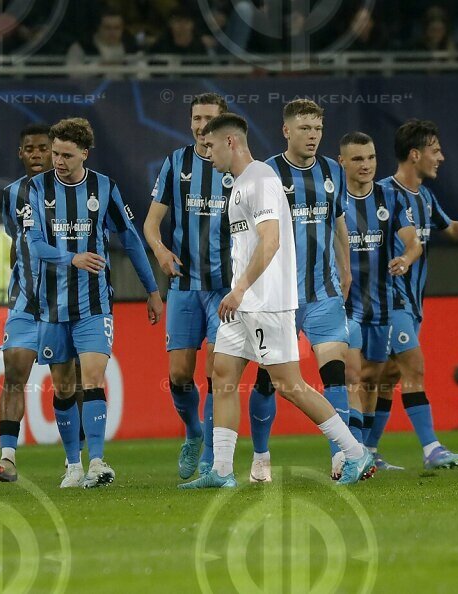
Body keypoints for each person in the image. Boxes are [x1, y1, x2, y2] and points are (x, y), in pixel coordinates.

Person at [178, 113, 375, 489]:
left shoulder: (260, 182)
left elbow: (271, 241)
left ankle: (354, 451)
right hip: (244, 303)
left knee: (289, 384)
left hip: (267, 301)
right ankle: (221, 470)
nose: (208, 153)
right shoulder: (238, 185)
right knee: (222, 374)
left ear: (231, 142)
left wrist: (239, 289)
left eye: (212, 146)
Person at [367, 119, 458, 470]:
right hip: (389, 300)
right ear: (415, 154)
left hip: (412, 301)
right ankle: (431, 448)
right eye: (435, 151)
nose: (442, 157)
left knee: (388, 378)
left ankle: (367, 452)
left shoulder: (425, 197)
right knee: (413, 368)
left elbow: (449, 229)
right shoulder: (383, 194)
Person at [26, 118, 163, 488]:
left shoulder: (104, 188)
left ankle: (98, 461)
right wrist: (71, 258)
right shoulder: (36, 189)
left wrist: (152, 290)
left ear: (84, 154)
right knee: (63, 385)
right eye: (55, 153)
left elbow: (131, 240)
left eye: (67, 155)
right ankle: (72, 464)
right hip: (52, 304)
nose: (58, 160)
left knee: (92, 377)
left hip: (94, 303)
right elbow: (34, 244)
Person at [248, 99, 355, 483]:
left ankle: (343, 456)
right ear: (286, 131)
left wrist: (345, 270)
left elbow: (339, 222)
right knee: (268, 381)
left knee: (336, 375)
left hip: (324, 292)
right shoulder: (267, 174)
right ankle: (261, 456)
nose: (313, 136)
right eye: (305, 128)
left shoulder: (332, 170)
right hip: (279, 299)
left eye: (317, 129)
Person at [143, 93, 234, 479]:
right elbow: (150, 225)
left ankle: (215, 460)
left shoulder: (238, 168)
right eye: (196, 118)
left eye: (208, 118)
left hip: (224, 290)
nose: (200, 126)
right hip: (182, 285)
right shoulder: (176, 163)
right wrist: (161, 252)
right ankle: (194, 433)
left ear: (222, 123)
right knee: (179, 376)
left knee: (217, 371)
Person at [338, 131, 422, 475]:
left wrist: (407, 258)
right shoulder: (334, 202)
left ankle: (367, 451)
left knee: (372, 379)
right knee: (352, 377)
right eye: (358, 159)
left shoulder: (391, 198)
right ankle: (353, 451)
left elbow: (413, 242)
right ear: (342, 161)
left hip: (381, 304)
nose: (366, 165)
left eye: (371, 157)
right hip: (343, 305)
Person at [0, 124, 52, 483]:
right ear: (21, 153)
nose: (37, 154)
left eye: (44, 148)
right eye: (30, 149)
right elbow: (17, 239)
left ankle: (79, 462)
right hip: (25, 302)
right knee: (13, 372)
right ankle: (7, 458)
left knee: (68, 382)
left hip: (67, 303)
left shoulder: (75, 189)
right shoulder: (12, 194)